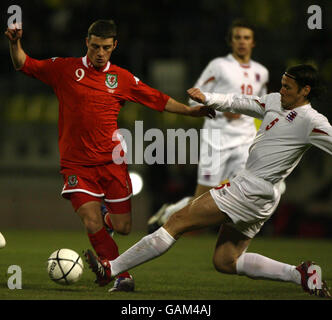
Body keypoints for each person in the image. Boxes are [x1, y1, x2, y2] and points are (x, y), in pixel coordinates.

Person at [84, 64, 332, 298]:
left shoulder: (312, 121)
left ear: (305, 90)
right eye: (282, 84)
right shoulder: (275, 102)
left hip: (250, 188)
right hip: (263, 195)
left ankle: (111, 268)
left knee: (177, 221)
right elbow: (240, 101)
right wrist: (209, 97)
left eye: (288, 87)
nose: (282, 90)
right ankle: (300, 274)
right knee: (226, 260)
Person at [5, 19, 215, 292]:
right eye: (94, 47)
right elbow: (24, 64)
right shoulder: (65, 69)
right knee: (90, 221)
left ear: (114, 45)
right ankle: (121, 275)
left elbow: (157, 98)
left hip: (112, 164)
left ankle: (108, 220)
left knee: (124, 227)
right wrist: (14, 43)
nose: (99, 53)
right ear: (87, 43)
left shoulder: (122, 78)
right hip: (76, 166)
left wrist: (190, 111)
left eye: (105, 47)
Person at [147, 19, 269, 233]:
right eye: (238, 37)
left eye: (246, 38)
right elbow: (195, 98)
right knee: (201, 200)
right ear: (230, 42)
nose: (242, 42)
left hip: (245, 142)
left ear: (254, 43)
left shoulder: (262, 72)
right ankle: (169, 213)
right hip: (217, 140)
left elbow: (264, 106)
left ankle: (230, 247)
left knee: (242, 195)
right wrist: (221, 108)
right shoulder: (219, 66)